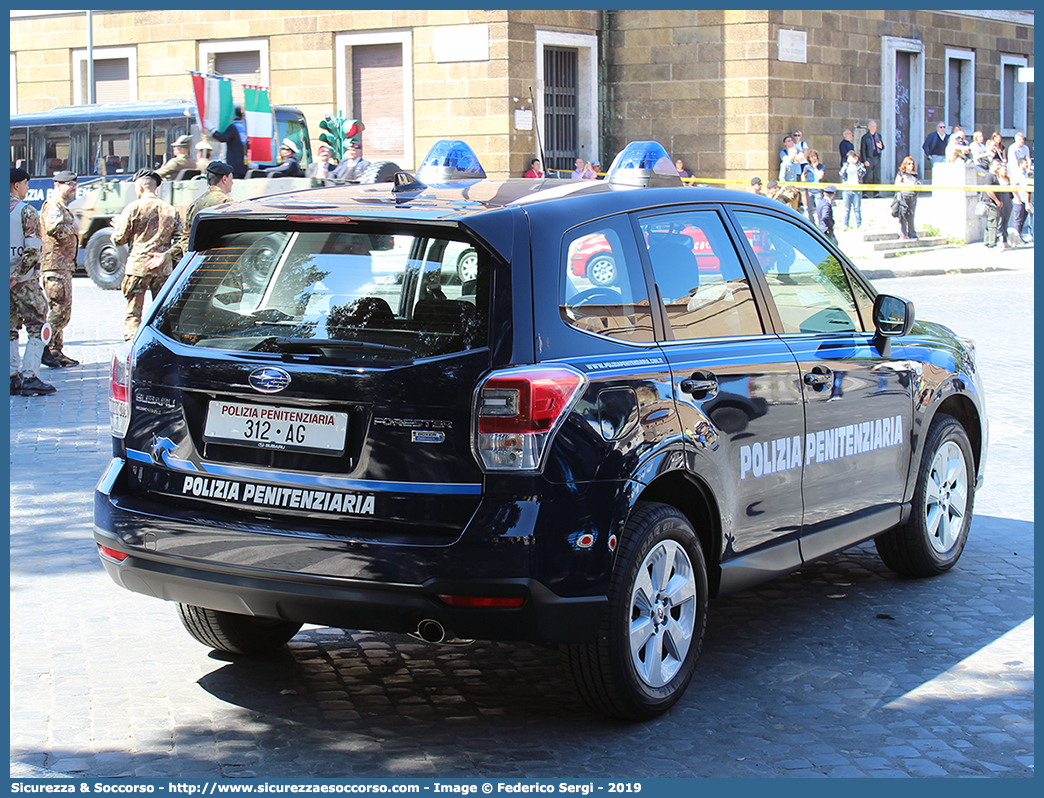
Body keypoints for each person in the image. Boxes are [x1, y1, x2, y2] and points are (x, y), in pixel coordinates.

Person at [110, 169, 184, 340]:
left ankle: (132, 345)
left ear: (140, 187)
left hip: (137, 268)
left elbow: (119, 239)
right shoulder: (170, 210)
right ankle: (161, 342)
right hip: (163, 269)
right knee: (162, 312)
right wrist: (166, 255)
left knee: (133, 313)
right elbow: (182, 241)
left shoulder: (133, 208)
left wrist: (115, 230)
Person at [9, 167, 56, 396]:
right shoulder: (25, 211)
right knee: (38, 326)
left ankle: (10, 376)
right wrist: (17, 276)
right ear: (17, 185)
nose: (28, 188)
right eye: (26, 184)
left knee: (8, 329)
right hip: (23, 282)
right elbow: (32, 251)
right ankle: (30, 376)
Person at [39, 170, 80, 369]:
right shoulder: (53, 205)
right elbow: (55, 229)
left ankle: (55, 350)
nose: (73, 188)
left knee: (62, 309)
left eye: (74, 184)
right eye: (68, 184)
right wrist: (73, 228)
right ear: (57, 185)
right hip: (55, 266)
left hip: (63, 266)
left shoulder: (62, 206)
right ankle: (43, 348)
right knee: (59, 310)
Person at [177, 160, 234, 256]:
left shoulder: (195, 203)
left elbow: (186, 237)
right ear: (224, 179)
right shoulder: (226, 203)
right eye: (231, 179)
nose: (232, 183)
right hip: (216, 256)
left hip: (196, 257)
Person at [982, 161, 1013, 249]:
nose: (999, 166)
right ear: (992, 166)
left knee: (992, 222)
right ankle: (991, 243)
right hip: (992, 202)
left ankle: (988, 242)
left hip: (996, 202)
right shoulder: (989, 176)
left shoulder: (995, 176)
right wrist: (996, 200)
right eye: (997, 165)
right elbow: (988, 190)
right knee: (992, 223)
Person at [211, 110, 246, 178]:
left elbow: (223, 138)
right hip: (244, 164)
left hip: (234, 164)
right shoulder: (244, 127)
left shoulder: (232, 127)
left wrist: (212, 130)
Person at [894, 155, 920, 241]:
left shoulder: (914, 174)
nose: (911, 165)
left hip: (912, 196)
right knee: (903, 215)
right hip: (903, 196)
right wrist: (908, 185)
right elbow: (897, 184)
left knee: (911, 215)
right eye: (909, 163)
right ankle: (903, 234)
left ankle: (912, 233)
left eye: (912, 163)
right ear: (905, 164)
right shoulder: (901, 173)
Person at [839, 149, 866, 229]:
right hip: (847, 189)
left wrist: (857, 164)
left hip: (856, 189)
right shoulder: (846, 165)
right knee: (847, 208)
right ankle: (845, 224)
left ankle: (859, 224)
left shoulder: (859, 165)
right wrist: (847, 164)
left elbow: (863, 173)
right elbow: (841, 173)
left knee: (857, 208)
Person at [860, 120, 885, 197]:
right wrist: (864, 160)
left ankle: (876, 193)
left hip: (876, 157)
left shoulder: (879, 136)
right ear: (869, 127)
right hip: (869, 158)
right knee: (867, 176)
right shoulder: (865, 137)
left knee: (877, 176)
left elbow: (882, 147)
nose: (874, 128)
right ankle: (865, 193)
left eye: (875, 126)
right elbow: (863, 150)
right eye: (872, 126)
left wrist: (881, 147)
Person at [802, 149, 826, 224]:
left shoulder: (821, 166)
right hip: (809, 189)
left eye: (814, 156)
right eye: (812, 157)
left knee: (819, 207)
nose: (814, 158)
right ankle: (812, 223)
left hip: (817, 190)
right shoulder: (807, 167)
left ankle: (821, 223)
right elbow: (803, 175)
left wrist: (815, 168)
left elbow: (820, 176)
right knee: (810, 209)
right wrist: (804, 181)